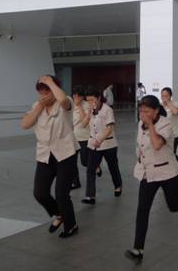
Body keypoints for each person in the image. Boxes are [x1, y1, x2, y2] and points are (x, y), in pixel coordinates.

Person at [125, 95, 178, 263]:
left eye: (147, 111)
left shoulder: (165, 124)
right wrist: (140, 156)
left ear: (156, 111)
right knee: (142, 210)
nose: (143, 114)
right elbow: (142, 144)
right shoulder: (140, 124)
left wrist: (150, 124)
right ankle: (138, 249)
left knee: (173, 205)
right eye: (141, 110)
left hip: (167, 172)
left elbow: (157, 144)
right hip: (148, 173)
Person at [21, 75, 79, 238]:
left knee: (61, 194)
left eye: (47, 92)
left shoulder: (65, 103)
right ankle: (59, 213)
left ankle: (71, 225)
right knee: (40, 193)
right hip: (45, 155)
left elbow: (63, 100)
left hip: (65, 153)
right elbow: (25, 124)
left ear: (55, 90)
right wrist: (40, 105)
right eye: (41, 92)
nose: (44, 95)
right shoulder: (37, 106)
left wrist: (50, 82)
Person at [82, 88, 123, 205]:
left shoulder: (107, 110)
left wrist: (100, 139)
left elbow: (109, 128)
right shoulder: (90, 109)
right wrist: (88, 112)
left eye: (92, 99)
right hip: (93, 145)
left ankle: (118, 185)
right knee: (90, 170)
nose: (90, 102)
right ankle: (90, 196)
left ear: (99, 98)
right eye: (88, 100)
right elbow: (84, 124)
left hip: (108, 144)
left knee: (112, 167)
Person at [70, 86, 101, 190]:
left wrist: (79, 106)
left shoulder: (87, 105)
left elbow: (84, 121)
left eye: (78, 95)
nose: (75, 97)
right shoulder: (71, 104)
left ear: (82, 96)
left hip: (84, 137)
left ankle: (96, 166)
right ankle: (75, 182)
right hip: (73, 137)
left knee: (84, 161)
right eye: (74, 95)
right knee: (72, 161)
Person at [160, 87, 178, 153]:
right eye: (162, 96)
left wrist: (168, 103)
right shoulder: (160, 105)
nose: (164, 98)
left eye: (166, 96)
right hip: (163, 135)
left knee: (172, 154)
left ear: (170, 96)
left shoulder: (175, 104)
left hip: (173, 135)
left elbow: (175, 112)